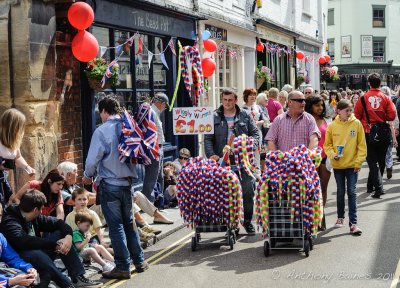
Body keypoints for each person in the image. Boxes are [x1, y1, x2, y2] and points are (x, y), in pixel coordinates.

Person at [82, 95, 147, 279]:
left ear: (104, 111)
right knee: (129, 224)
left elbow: (92, 159)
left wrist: (87, 176)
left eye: (100, 113)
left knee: (116, 227)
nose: (100, 116)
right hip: (128, 184)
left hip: (110, 185)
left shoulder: (102, 131)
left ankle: (122, 267)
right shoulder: (128, 126)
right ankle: (140, 261)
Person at [1, 189, 101, 287]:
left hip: (39, 254)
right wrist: (54, 245)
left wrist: (68, 237)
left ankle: (77, 276)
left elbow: (59, 223)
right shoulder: (10, 220)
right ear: (36, 210)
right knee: (36, 255)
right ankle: (66, 284)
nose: (41, 212)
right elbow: (24, 241)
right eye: (41, 209)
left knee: (60, 233)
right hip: (22, 258)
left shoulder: (35, 216)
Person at [204, 89, 260, 235]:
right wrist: (211, 155)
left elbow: (255, 134)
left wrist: (250, 146)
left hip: (243, 161)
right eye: (225, 100)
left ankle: (247, 222)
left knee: (247, 190)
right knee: (227, 193)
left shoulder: (245, 115)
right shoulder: (214, 116)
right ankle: (231, 224)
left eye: (230, 100)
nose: (227, 103)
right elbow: (208, 139)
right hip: (223, 161)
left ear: (235, 100)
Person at [324, 100, 367, 235]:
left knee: (352, 192)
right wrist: (332, 154)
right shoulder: (332, 126)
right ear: (339, 111)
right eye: (346, 110)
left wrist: (359, 162)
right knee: (341, 191)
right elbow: (327, 145)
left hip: (352, 165)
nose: (349, 113)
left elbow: (362, 145)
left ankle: (353, 223)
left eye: (350, 110)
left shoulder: (357, 123)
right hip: (338, 165)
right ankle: (340, 217)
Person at [354, 73, 397, 198]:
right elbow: (391, 116)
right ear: (380, 83)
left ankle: (378, 188)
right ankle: (370, 186)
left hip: (368, 132)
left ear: (369, 83)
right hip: (383, 132)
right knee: (381, 161)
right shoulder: (386, 98)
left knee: (372, 161)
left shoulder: (363, 98)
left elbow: (357, 116)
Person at [305, 96, 332, 231]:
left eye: (321, 105)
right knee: (311, 189)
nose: (320, 108)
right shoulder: (305, 120)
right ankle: (313, 216)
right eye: (316, 105)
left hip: (325, 158)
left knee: (323, 188)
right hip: (309, 159)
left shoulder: (327, 120)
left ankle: (321, 215)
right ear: (310, 106)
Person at [0, 108, 35, 208]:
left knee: (10, 202)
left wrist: (27, 168)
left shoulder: (13, 142)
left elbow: (18, 158)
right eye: (20, 126)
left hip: (3, 178)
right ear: (12, 126)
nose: (22, 130)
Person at [142, 93, 169, 203]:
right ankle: (147, 203)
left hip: (158, 148)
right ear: (161, 103)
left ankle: (158, 201)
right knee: (151, 177)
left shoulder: (154, 112)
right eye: (165, 106)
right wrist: (155, 149)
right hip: (154, 149)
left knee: (159, 176)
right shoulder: (151, 112)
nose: (165, 108)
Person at [65, 188, 111, 253]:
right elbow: (67, 231)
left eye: (84, 199)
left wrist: (102, 241)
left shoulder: (92, 213)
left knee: (99, 248)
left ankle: (120, 254)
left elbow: (98, 229)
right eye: (79, 199)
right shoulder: (69, 216)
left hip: (91, 238)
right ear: (73, 201)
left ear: (88, 200)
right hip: (77, 240)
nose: (82, 202)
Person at [242, 88, 269, 171]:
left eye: (254, 95)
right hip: (246, 134)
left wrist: (259, 123)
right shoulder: (242, 108)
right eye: (250, 95)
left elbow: (264, 120)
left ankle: (257, 173)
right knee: (247, 153)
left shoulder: (258, 107)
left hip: (257, 133)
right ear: (246, 96)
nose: (253, 97)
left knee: (257, 152)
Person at [380, 86, 399, 179]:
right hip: (388, 130)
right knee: (389, 151)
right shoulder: (391, 104)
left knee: (380, 152)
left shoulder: (376, 104)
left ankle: (382, 169)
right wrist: (396, 129)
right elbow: (395, 119)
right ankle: (389, 166)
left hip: (378, 131)